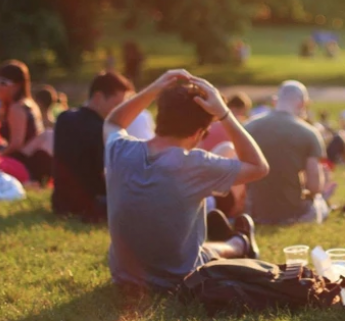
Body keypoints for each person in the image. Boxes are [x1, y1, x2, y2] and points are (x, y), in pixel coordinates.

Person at [104, 70, 269, 291]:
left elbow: (113, 121)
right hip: (179, 279)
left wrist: (154, 88)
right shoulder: (195, 164)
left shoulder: (120, 150)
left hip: (125, 278)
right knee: (204, 254)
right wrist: (224, 113)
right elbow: (259, 167)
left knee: (196, 248)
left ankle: (235, 241)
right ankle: (240, 243)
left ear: (160, 116)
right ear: (198, 133)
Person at [52, 71, 134, 220]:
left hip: (60, 202)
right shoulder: (101, 129)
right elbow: (107, 176)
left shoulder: (64, 118)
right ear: (98, 97)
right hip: (91, 205)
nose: (120, 110)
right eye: (117, 104)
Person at [245, 80, 328, 225]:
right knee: (320, 204)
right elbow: (314, 186)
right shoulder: (309, 133)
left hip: (255, 211)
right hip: (292, 212)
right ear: (302, 103)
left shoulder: (249, 127)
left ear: (275, 101)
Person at [0, 61, 51, 183]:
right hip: (34, 162)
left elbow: (16, 144)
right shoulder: (30, 104)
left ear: (17, 85)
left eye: (3, 82)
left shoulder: (16, 108)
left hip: (23, 163)